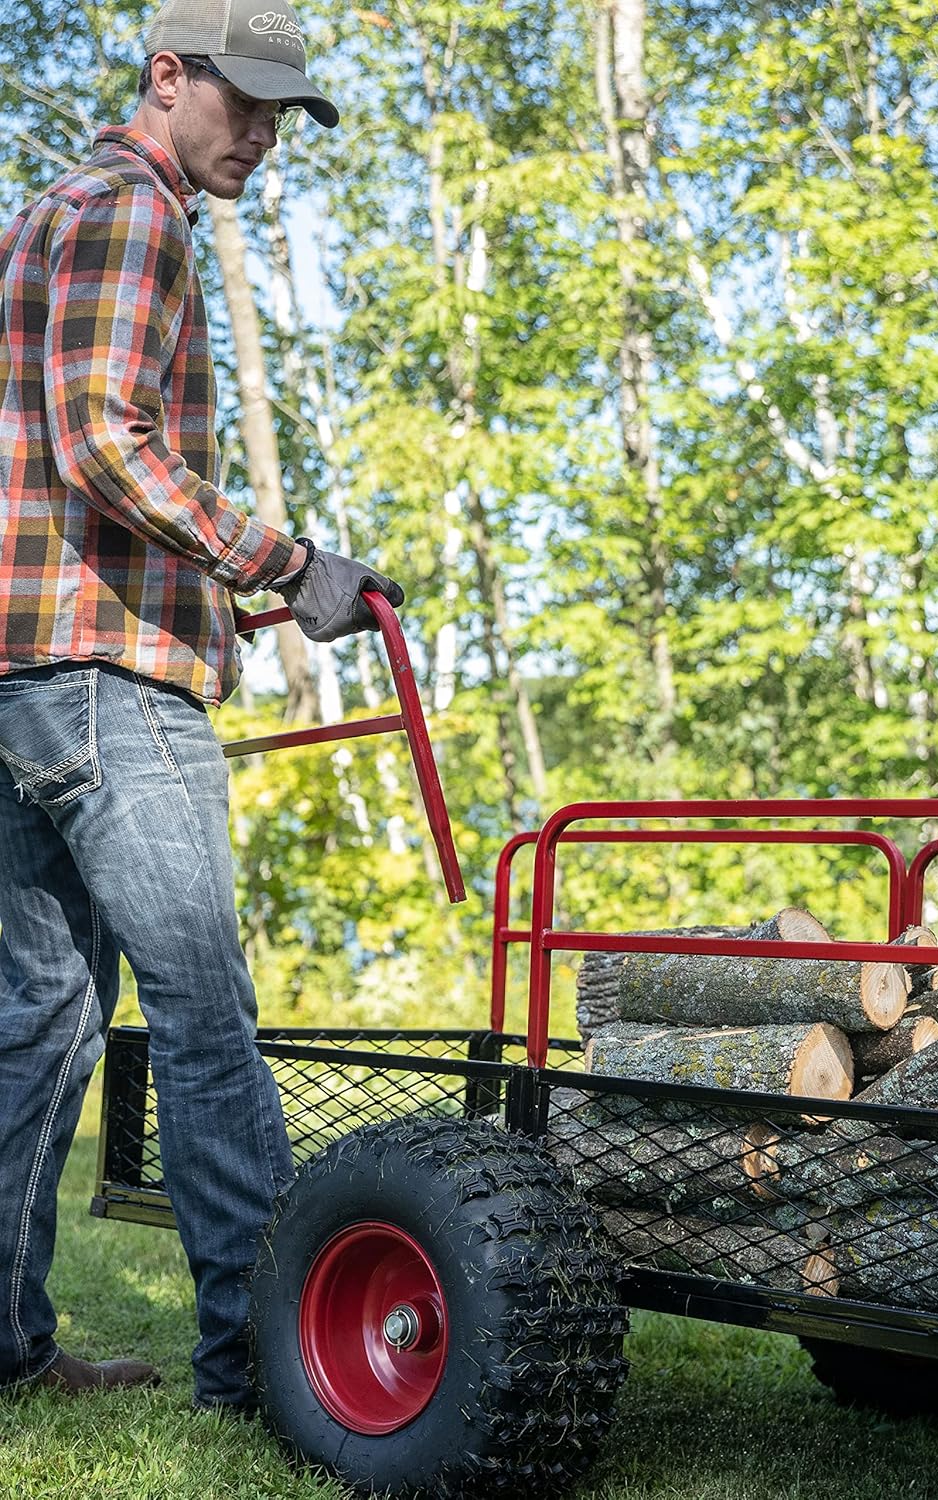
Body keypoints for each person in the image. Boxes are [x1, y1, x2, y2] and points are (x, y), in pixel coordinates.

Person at [0, 0, 402, 1413]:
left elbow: (49, 486)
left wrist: (216, 598)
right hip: (109, 690)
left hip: (31, 680)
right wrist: (285, 565)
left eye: (285, 111)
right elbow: (108, 435)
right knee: (204, 1017)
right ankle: (265, 1361)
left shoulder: (50, 209)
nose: (267, 135)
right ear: (165, 77)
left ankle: (5, 1345)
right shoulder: (134, 213)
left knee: (43, 1024)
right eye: (245, 101)